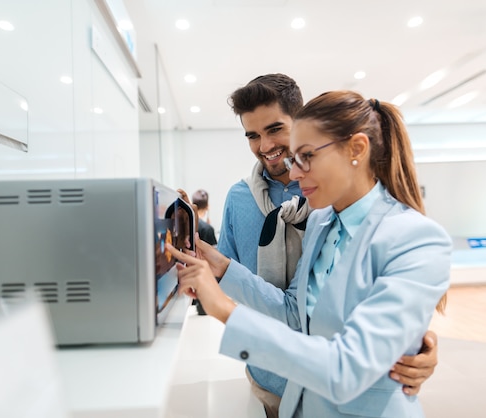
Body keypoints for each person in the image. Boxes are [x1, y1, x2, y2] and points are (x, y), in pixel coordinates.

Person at [167, 90, 451, 417]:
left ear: (357, 148)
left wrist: (223, 309)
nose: (295, 172)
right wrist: (220, 267)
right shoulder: (321, 222)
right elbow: (294, 312)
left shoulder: (415, 238)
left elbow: (348, 367)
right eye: (293, 160)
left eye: (305, 156)